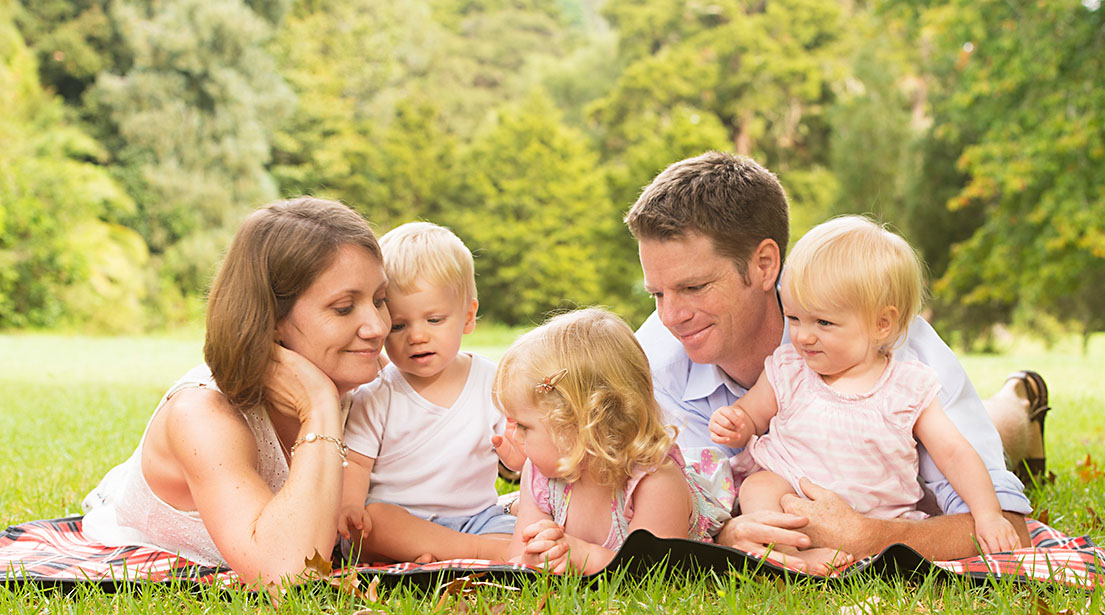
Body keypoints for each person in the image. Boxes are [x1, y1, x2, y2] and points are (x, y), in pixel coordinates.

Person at [627, 151, 1035, 567]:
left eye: (694, 287)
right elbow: (679, 515)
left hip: (906, 457)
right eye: (657, 293)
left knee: (989, 434)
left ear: (764, 265)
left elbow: (1010, 526)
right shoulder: (651, 370)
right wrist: (729, 532)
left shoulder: (879, 335)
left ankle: (1018, 404)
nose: (671, 317)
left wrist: (868, 535)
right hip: (788, 475)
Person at [81, 198, 507, 585]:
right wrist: (319, 406)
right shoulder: (203, 415)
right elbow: (287, 574)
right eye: (344, 308)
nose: (377, 327)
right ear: (272, 318)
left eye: (380, 301)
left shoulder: (370, 377)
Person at [709, 216, 1020, 573]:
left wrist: (989, 515)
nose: (803, 337)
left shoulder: (906, 388)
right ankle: (793, 557)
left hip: (876, 514)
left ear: (881, 324)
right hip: (791, 492)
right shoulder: (790, 369)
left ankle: (832, 556)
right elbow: (752, 414)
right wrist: (737, 423)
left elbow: (955, 453)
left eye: (823, 323)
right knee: (758, 486)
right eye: (794, 318)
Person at [494, 308, 729, 574]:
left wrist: (585, 557)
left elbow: (654, 573)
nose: (515, 436)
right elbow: (518, 558)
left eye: (524, 426)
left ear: (582, 427)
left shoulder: (654, 483)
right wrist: (537, 552)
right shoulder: (539, 475)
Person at [337, 222, 522, 553]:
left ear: (468, 316)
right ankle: (479, 553)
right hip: (401, 519)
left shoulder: (492, 383)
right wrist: (350, 505)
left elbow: (515, 457)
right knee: (374, 521)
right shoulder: (378, 392)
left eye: (434, 320)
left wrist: (516, 457)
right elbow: (357, 462)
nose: (417, 336)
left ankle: (450, 552)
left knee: (522, 527)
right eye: (399, 325)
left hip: (476, 518)